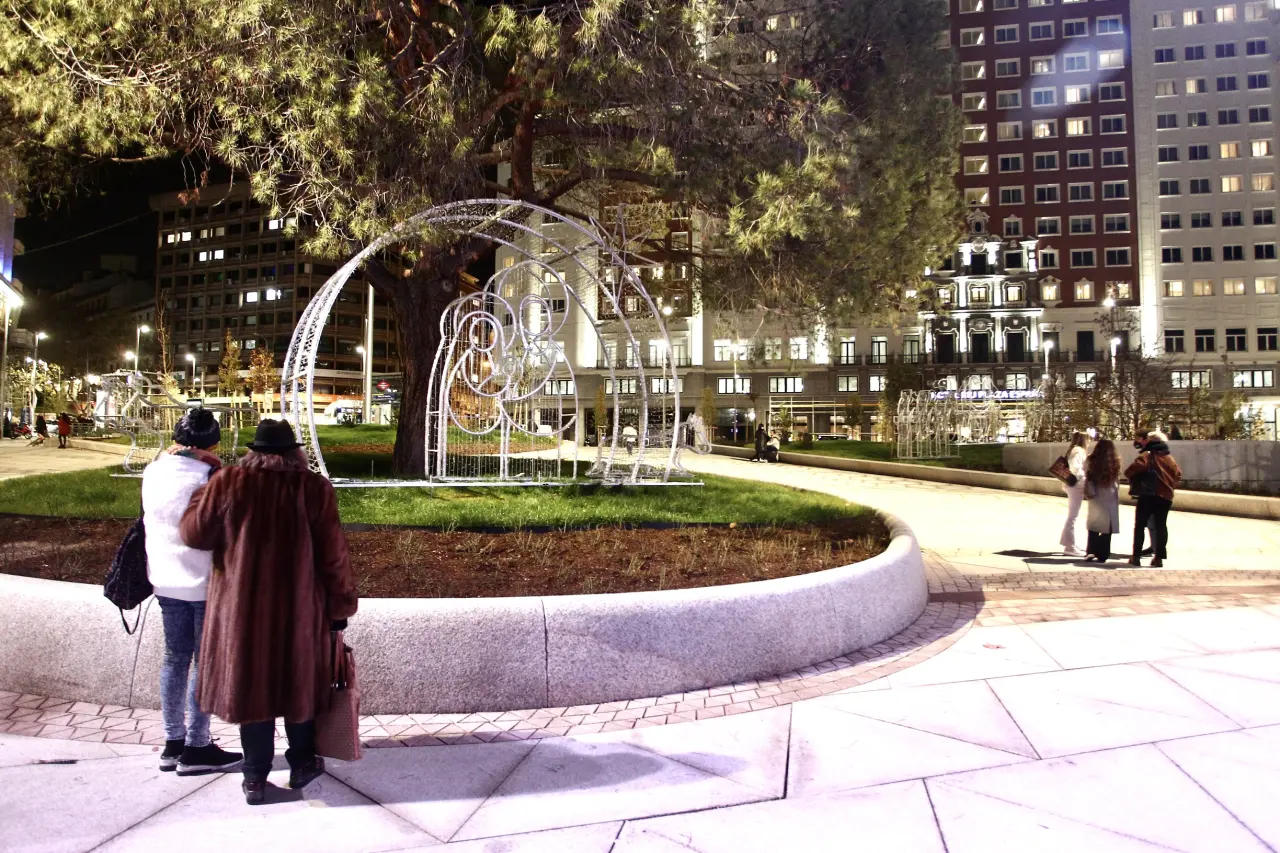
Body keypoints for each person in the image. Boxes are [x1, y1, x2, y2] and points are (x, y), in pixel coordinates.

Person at [181, 419, 358, 805]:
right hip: (301, 612)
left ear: (254, 452)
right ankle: (302, 762)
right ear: (295, 452)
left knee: (252, 689)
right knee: (300, 684)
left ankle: (255, 777)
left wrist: (203, 494)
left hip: (243, 615)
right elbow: (333, 556)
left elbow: (194, 534)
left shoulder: (229, 482)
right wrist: (340, 607)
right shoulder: (313, 488)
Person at [141, 408, 243, 776]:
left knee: (174, 658)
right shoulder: (212, 476)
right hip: (204, 583)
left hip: (164, 578)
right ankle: (197, 746)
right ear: (213, 443)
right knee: (204, 662)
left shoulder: (153, 471)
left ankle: (173, 743)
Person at [1125, 430, 1182, 567]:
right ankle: (1158, 558)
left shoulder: (1147, 456)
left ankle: (1136, 557)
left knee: (1140, 526)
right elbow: (1178, 475)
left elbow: (1130, 470)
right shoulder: (1170, 458)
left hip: (1148, 495)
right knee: (1161, 526)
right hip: (1166, 496)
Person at [1083, 439, 1121, 563]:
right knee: (1107, 526)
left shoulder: (1092, 460)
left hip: (1096, 493)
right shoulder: (1115, 461)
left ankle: (1091, 550)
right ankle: (1103, 553)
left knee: (1094, 523)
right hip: (1110, 494)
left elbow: (1086, 474)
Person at [1059, 432, 1089, 557]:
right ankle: (1069, 546)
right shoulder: (1079, 451)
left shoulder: (1072, 449)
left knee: (1072, 516)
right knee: (1073, 517)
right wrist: (1084, 478)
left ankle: (1068, 543)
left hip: (1071, 485)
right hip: (1076, 485)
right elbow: (1075, 467)